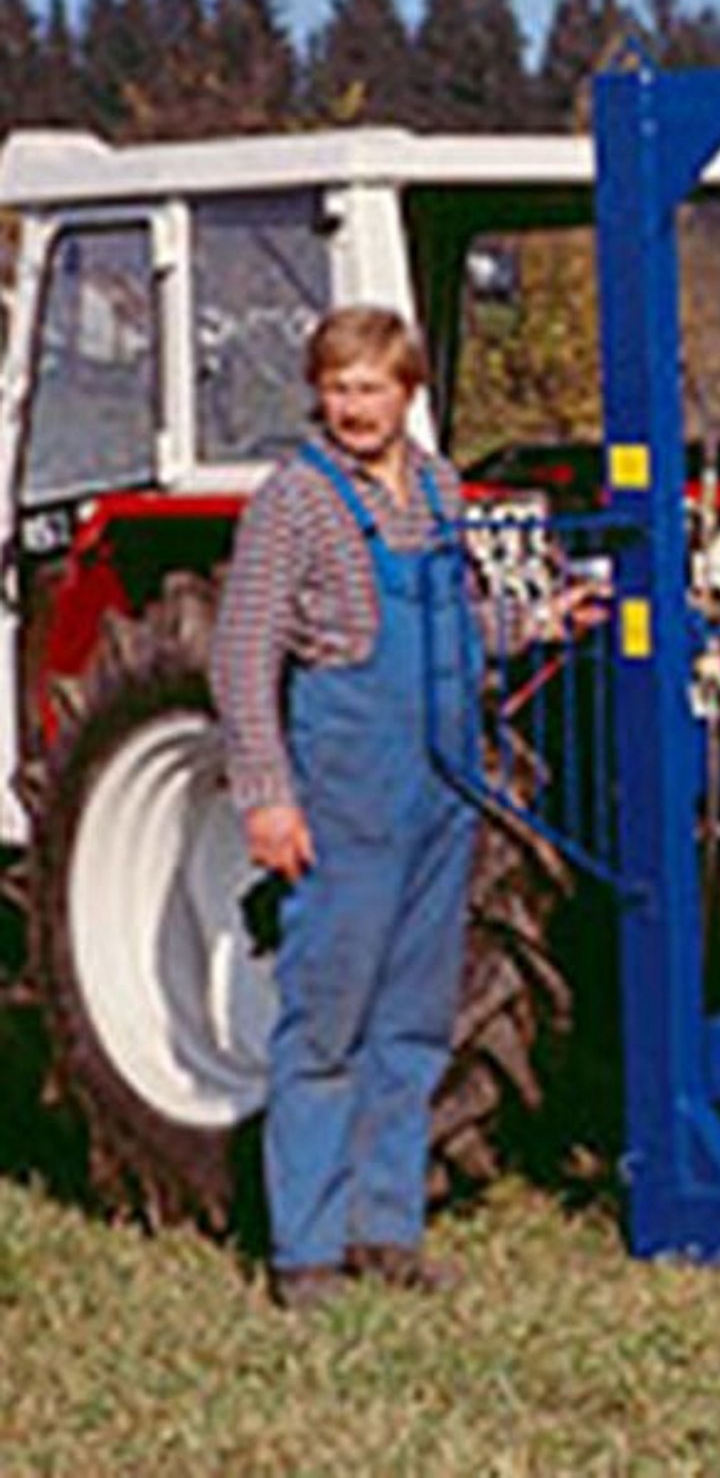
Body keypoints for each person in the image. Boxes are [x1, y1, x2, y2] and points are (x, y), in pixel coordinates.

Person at [212, 304, 597, 1313]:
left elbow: (458, 623)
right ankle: (305, 1253)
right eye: (337, 388)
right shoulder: (292, 501)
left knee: (418, 1018)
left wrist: (542, 618)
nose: (352, 407)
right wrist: (266, 796)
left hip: (442, 784)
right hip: (345, 790)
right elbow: (241, 653)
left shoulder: (435, 484)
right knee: (327, 1018)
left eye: (370, 388)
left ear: (407, 391)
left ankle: (388, 1230)